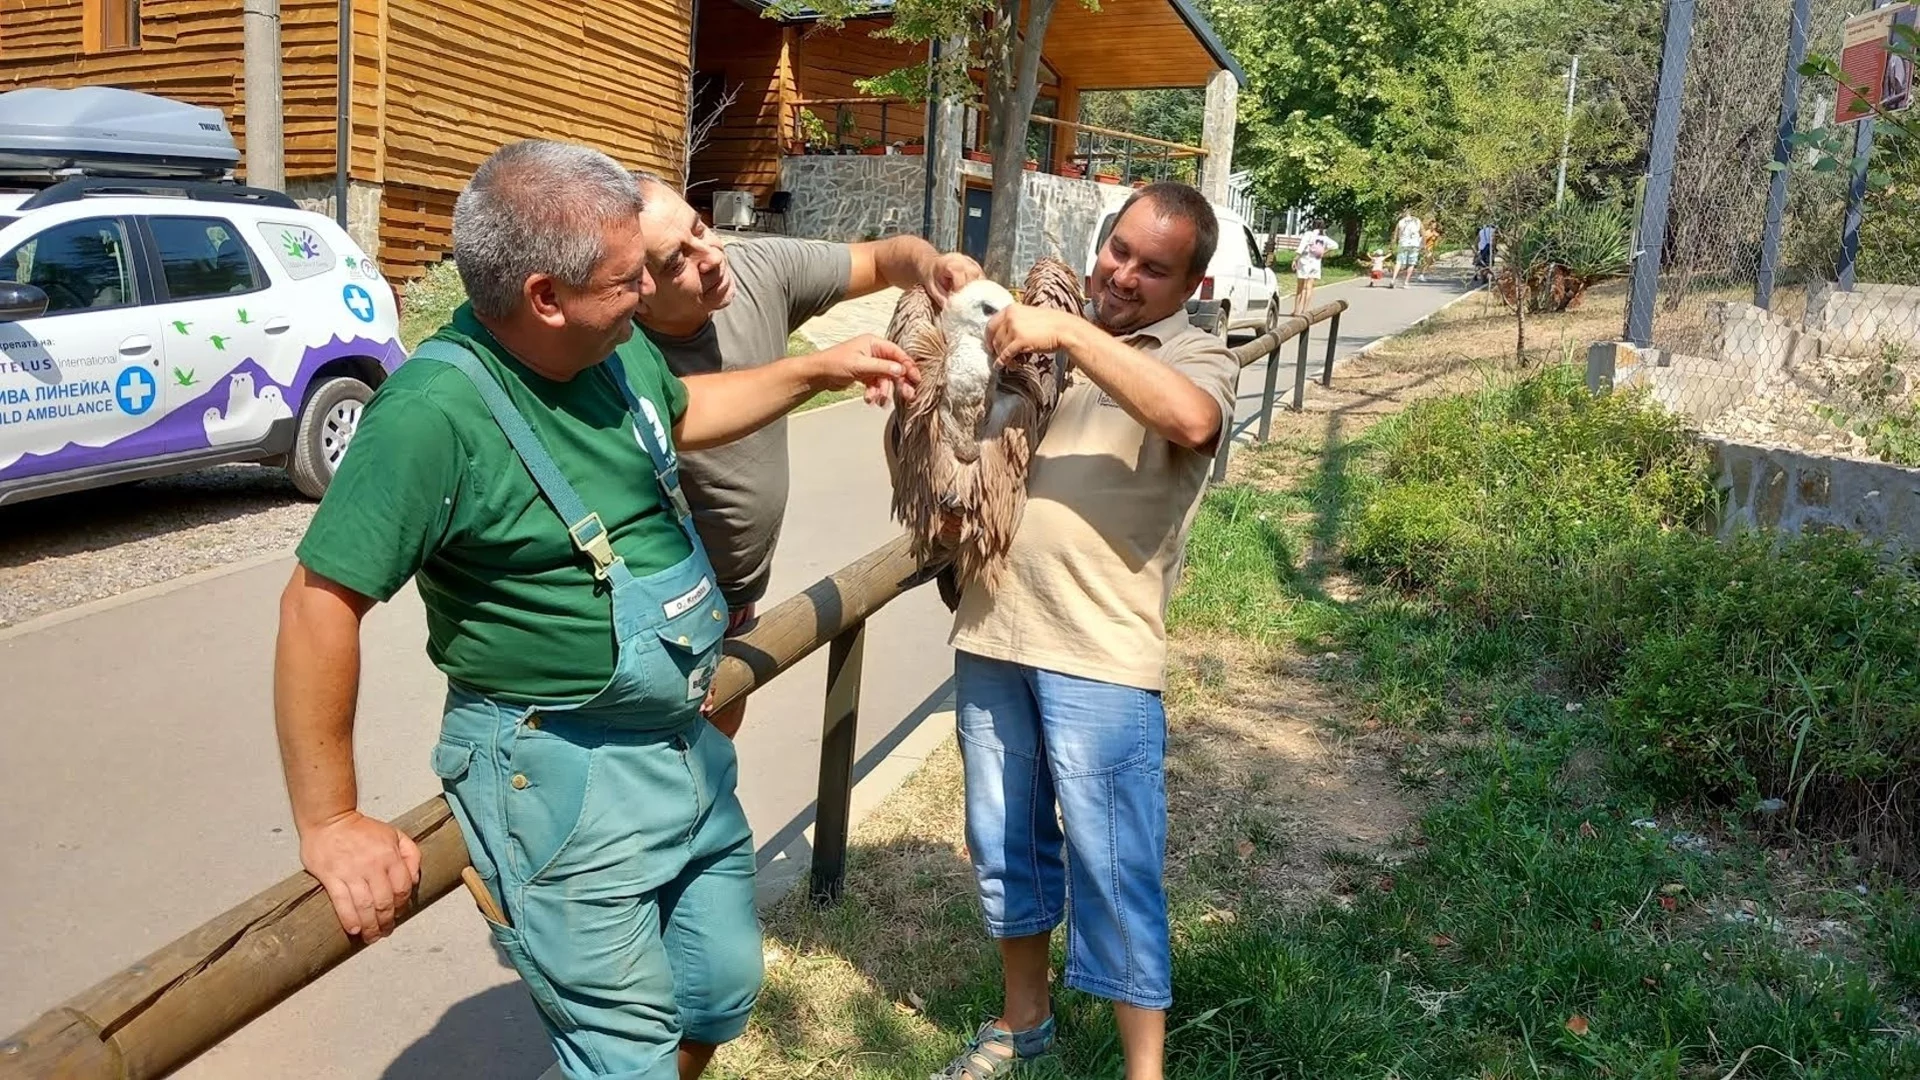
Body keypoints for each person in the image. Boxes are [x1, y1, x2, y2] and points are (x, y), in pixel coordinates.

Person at [273, 140, 917, 1080]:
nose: (652, 296)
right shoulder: (431, 415)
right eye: (631, 281)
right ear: (545, 295)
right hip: (560, 771)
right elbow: (315, 606)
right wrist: (332, 821)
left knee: (718, 989)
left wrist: (812, 373)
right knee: (627, 1056)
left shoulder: (611, 356)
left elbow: (680, 412)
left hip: (678, 747)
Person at [931, 182, 1239, 1080]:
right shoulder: (1045, 344)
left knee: (1115, 865)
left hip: (1099, 654)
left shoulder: (1193, 351)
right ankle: (1023, 1024)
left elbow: (1191, 420)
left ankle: (1146, 1073)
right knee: (1006, 847)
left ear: (1193, 282)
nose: (1126, 275)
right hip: (993, 635)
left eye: (1155, 267)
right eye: (1120, 251)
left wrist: (1068, 334)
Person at [627, 177, 981, 738]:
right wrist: (818, 371)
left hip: (735, 593)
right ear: (632, 287)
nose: (712, 257)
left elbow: (886, 258)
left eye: (700, 227)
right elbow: (679, 417)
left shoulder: (757, 268)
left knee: (710, 760)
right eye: (677, 262)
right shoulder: (615, 347)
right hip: (656, 609)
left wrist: (934, 266)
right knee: (656, 771)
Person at [1290, 218, 1337, 316]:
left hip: (1305, 261)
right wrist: (1324, 252)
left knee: (1300, 286)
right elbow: (1335, 245)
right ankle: (1305, 310)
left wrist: (1295, 259)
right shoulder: (1324, 237)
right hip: (1316, 263)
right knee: (1309, 287)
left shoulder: (1309, 234)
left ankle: (1296, 310)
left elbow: (1302, 246)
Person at [1392, 207, 1424, 289]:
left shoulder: (1401, 221)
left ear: (1404, 214)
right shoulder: (1417, 221)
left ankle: (1393, 280)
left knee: (1399, 262)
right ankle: (1406, 282)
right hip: (1414, 244)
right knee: (1411, 263)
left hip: (1403, 243)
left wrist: (1393, 244)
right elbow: (1423, 233)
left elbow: (1395, 235)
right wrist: (1423, 244)